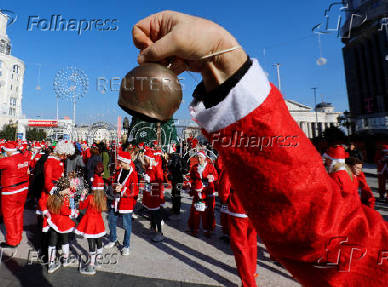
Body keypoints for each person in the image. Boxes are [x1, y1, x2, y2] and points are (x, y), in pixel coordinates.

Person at [133, 10, 388, 286]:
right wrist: (227, 67)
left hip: (242, 209)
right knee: (239, 243)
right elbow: (336, 240)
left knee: (244, 244)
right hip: (243, 207)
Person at [104, 151, 138, 256]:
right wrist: (114, 186)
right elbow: (115, 182)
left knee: (127, 225)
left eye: (120, 161)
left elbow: (134, 191)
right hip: (116, 201)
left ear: (125, 161)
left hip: (126, 203)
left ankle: (126, 245)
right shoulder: (120, 171)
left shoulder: (133, 174)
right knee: (111, 220)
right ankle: (113, 239)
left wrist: (121, 189)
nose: (119, 163)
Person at [76, 162, 107, 275]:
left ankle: (91, 265)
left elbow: (81, 207)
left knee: (91, 243)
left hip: (89, 222)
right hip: (99, 222)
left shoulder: (90, 197)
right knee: (99, 241)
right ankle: (98, 260)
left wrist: (82, 196)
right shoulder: (103, 198)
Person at [46, 177, 76, 274]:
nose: (69, 190)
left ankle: (51, 263)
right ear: (64, 189)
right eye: (68, 188)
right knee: (65, 240)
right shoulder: (61, 199)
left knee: (52, 242)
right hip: (63, 222)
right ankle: (66, 259)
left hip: (53, 221)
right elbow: (65, 211)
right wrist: (74, 212)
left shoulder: (54, 196)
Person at [188, 151, 218, 237]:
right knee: (195, 211)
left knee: (207, 212)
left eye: (200, 157)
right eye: (197, 157)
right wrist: (190, 184)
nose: (198, 159)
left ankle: (207, 230)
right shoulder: (194, 167)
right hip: (198, 191)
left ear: (205, 158)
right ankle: (194, 228)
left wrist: (211, 177)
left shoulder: (210, 167)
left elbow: (216, 176)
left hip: (207, 191)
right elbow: (192, 178)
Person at [143, 148, 165, 242]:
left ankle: (160, 233)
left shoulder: (157, 168)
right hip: (149, 193)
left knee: (156, 213)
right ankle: (153, 227)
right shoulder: (148, 167)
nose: (144, 160)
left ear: (150, 158)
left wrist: (150, 180)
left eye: (145, 158)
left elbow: (160, 182)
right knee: (151, 212)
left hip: (155, 194)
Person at [167, 145, 185, 215]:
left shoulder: (173, 159)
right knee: (177, 194)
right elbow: (186, 170)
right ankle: (176, 209)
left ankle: (175, 209)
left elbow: (170, 168)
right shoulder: (182, 159)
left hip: (175, 179)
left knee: (175, 194)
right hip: (180, 179)